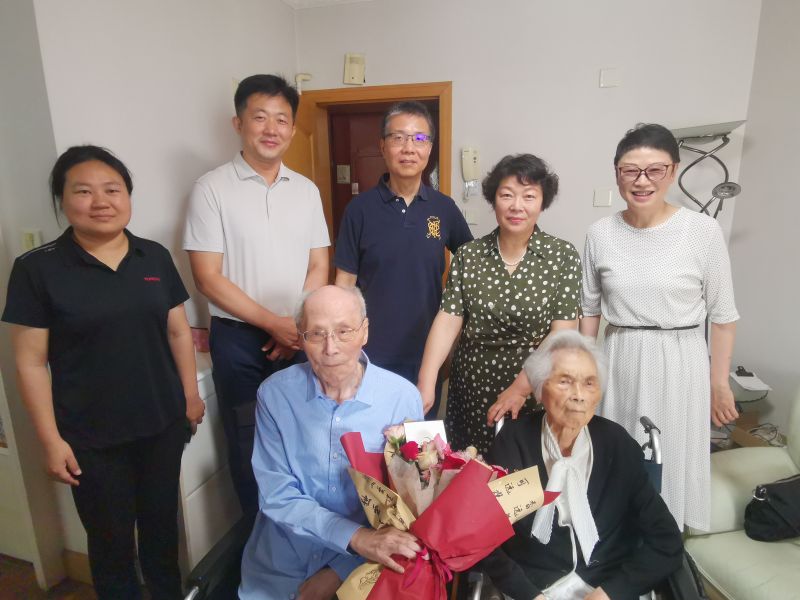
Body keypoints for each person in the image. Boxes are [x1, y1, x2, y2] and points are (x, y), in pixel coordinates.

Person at [3, 146, 205, 600]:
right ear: (62, 200)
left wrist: (190, 396)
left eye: (112, 190)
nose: (100, 201)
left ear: (127, 196)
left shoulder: (153, 256)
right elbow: (30, 363)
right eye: (83, 191)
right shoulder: (38, 269)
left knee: (161, 531)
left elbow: (177, 331)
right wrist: (50, 441)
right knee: (111, 544)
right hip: (91, 438)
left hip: (161, 424)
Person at [579, 123, 739, 532]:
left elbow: (723, 315)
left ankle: (667, 542)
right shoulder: (600, 234)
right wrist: (585, 373)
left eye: (655, 170)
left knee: (673, 452)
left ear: (673, 171)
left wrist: (719, 382)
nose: (642, 181)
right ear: (617, 174)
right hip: (620, 355)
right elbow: (590, 311)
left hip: (680, 358)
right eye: (631, 170)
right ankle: (616, 539)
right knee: (618, 450)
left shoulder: (702, 232)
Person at [184, 74, 330, 512]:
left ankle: (303, 532)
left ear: (292, 129)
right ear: (238, 123)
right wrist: (273, 325)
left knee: (304, 433)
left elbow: (319, 265)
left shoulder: (306, 191)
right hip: (239, 341)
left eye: (282, 120)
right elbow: (207, 277)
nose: (272, 129)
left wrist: (295, 327)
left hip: (299, 336)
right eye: (260, 117)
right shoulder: (211, 188)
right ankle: (259, 535)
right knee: (248, 440)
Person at [238, 285, 424, 599]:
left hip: (364, 566)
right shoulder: (274, 395)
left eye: (344, 331)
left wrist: (341, 569)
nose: (330, 348)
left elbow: (411, 506)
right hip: (279, 565)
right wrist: (356, 537)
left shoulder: (402, 398)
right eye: (316, 334)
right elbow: (277, 494)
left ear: (365, 332)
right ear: (300, 337)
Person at [479, 330, 683, 600]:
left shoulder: (617, 445)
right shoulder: (515, 444)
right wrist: (529, 595)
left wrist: (611, 593)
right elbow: (484, 539)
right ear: (539, 390)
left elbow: (667, 541)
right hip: (534, 587)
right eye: (565, 382)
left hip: (607, 586)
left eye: (589, 383)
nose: (579, 395)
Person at [417, 154, 581, 455]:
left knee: (526, 471)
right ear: (494, 200)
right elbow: (448, 320)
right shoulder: (469, 256)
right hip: (471, 389)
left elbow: (563, 333)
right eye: (507, 195)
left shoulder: (562, 256)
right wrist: (427, 381)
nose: (517, 206)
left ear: (542, 202)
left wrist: (521, 388)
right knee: (470, 469)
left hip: (535, 387)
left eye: (529, 196)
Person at [334, 101, 472, 417]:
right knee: (373, 435)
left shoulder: (444, 208)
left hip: (427, 352)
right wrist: (344, 344)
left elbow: (472, 267)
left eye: (419, 139)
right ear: (383, 146)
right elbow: (344, 283)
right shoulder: (359, 210)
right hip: (369, 351)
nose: (409, 148)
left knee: (419, 438)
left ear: (430, 148)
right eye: (398, 138)